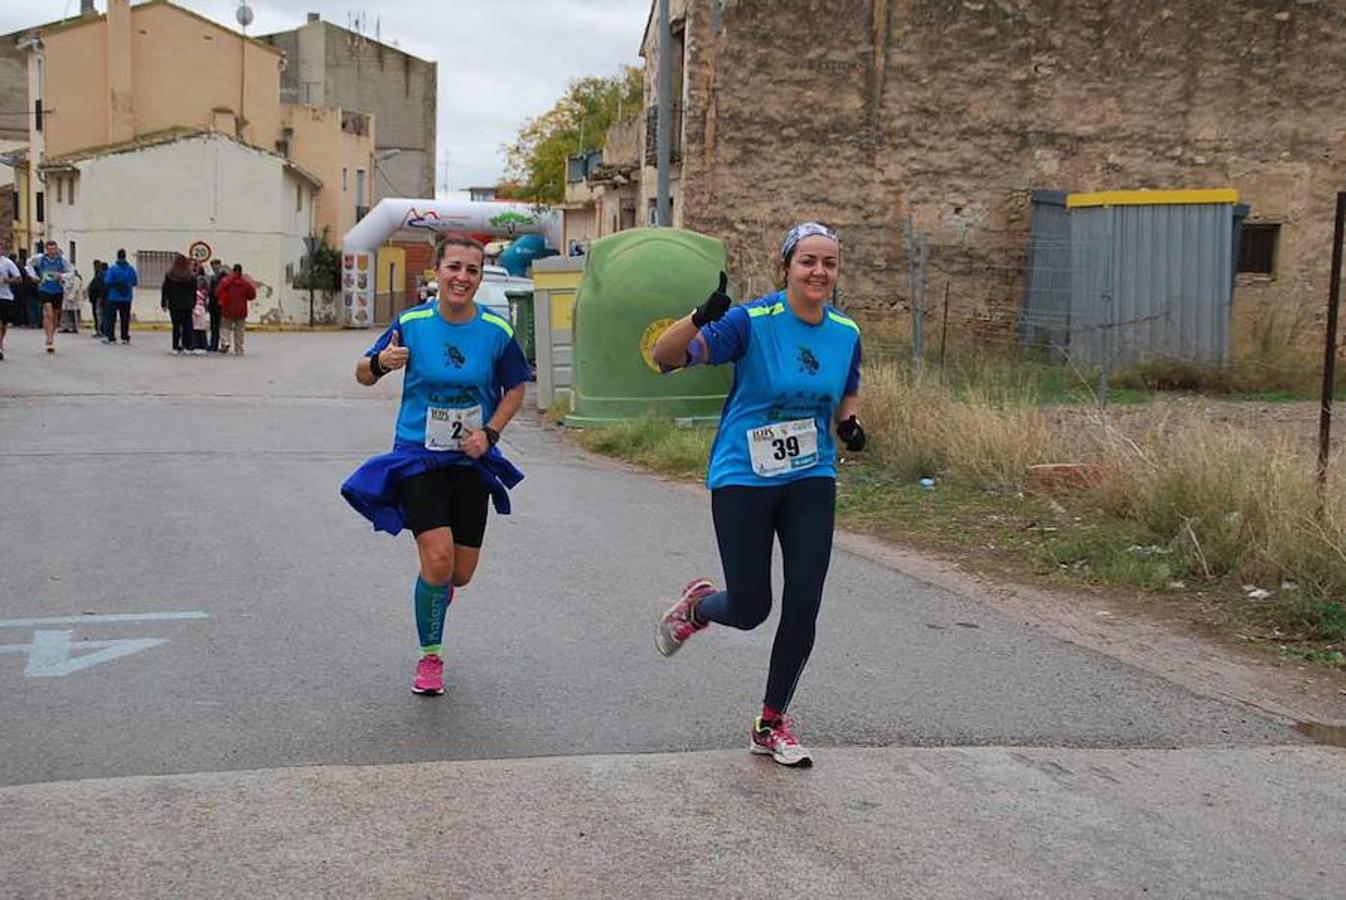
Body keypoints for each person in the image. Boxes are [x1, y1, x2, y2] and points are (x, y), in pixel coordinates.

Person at [649, 222, 866, 768]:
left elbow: (848, 386)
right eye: (808, 261)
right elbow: (664, 356)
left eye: (829, 263)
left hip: (811, 475)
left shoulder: (845, 331)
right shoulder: (751, 321)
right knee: (750, 609)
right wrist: (700, 316)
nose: (819, 271)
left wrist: (849, 421)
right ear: (786, 266)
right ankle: (700, 606)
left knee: (805, 599)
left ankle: (771, 723)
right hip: (743, 476)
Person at [340, 235, 530, 696]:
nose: (462, 277)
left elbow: (516, 388)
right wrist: (381, 362)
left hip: (470, 459)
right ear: (437, 272)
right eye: (454, 267)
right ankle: (430, 657)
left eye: (471, 270)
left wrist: (491, 433)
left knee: (459, 573)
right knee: (438, 557)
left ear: (479, 278)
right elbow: (362, 374)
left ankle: (437, 590)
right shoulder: (412, 323)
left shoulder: (496, 331)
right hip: (418, 455)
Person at [27, 240, 71, 353]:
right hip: (44, 289)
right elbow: (28, 264)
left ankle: (51, 335)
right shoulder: (40, 258)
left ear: (56, 249)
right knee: (48, 314)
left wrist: (62, 276)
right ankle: (49, 339)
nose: (52, 251)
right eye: (49, 249)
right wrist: (33, 276)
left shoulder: (62, 260)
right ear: (46, 249)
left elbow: (71, 272)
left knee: (55, 316)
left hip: (57, 290)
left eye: (53, 249)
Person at [215, 263, 256, 355]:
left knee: (225, 327)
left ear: (233, 271)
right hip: (241, 310)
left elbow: (217, 292)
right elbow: (252, 296)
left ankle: (226, 341)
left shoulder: (225, 281)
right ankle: (239, 349)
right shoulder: (246, 283)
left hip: (227, 309)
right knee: (239, 330)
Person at [160, 254, 196, 355]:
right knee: (187, 325)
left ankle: (175, 346)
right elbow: (194, 291)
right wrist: (194, 302)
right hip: (187, 304)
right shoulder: (190, 276)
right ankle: (187, 346)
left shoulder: (170, 275)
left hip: (174, 303)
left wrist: (164, 302)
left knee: (176, 325)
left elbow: (165, 289)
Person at [102, 249, 137, 344]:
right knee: (125, 318)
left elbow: (107, 281)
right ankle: (125, 337)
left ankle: (111, 337)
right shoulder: (131, 269)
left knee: (111, 318)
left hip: (113, 297)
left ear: (117, 256)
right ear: (125, 256)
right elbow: (134, 282)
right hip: (127, 298)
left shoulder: (113, 269)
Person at [0, 243, 21, 361]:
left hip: (5, 296)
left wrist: (6, 280)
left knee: (3, 324)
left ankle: (1, 342)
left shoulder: (7, 263)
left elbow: (18, 279)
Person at [207, 258, 226, 352]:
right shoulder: (213, 277)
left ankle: (221, 344)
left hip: (220, 304)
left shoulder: (224, 277)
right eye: (213, 266)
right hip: (213, 304)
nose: (214, 268)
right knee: (214, 326)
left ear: (220, 265)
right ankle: (213, 344)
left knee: (221, 326)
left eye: (216, 266)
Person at [191, 265, 210, 354]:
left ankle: (194, 343)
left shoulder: (193, 280)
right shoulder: (207, 280)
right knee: (202, 326)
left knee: (194, 325)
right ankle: (203, 343)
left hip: (195, 305)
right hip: (202, 306)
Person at [59, 266, 84, 334]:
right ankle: (66, 327)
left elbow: (75, 289)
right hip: (67, 298)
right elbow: (65, 287)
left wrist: (71, 296)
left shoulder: (76, 279)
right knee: (66, 313)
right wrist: (62, 282)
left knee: (74, 314)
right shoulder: (67, 279)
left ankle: (75, 327)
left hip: (74, 299)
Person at [87, 261, 106, 339]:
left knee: (99, 314)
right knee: (98, 314)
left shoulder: (100, 275)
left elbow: (98, 287)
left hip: (97, 298)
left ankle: (100, 330)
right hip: (95, 298)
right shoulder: (97, 275)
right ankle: (99, 330)